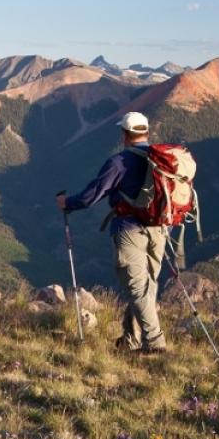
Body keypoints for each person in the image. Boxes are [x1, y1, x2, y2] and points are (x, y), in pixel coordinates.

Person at [56, 112, 167, 354]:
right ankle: (131, 339)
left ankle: (155, 344)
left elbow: (91, 196)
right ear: (146, 132)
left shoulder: (118, 162)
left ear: (125, 134)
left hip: (129, 230)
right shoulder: (161, 160)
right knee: (147, 286)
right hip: (160, 228)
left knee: (138, 288)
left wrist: (67, 203)